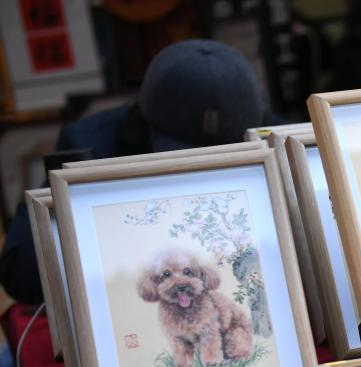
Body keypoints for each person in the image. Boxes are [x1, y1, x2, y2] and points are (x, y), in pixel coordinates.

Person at [0, 39, 268, 304]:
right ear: (142, 121)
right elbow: (20, 273)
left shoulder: (269, 139)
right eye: (186, 154)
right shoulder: (92, 147)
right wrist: (104, 219)